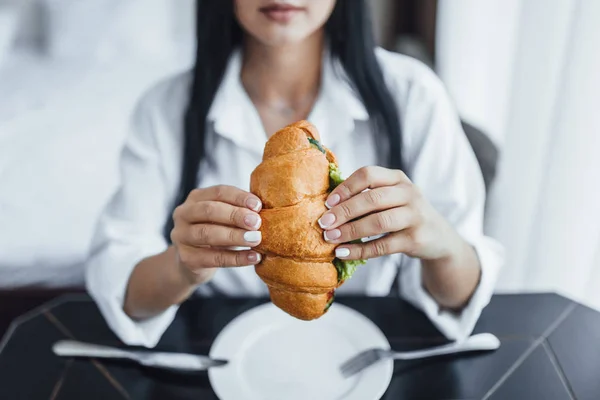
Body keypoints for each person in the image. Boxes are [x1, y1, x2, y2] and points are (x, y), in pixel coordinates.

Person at [87, 0, 503, 347]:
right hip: (217, 355)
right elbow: (125, 293)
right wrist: (181, 266)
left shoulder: (414, 95)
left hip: (372, 354)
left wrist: (442, 243)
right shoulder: (164, 109)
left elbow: (460, 297)